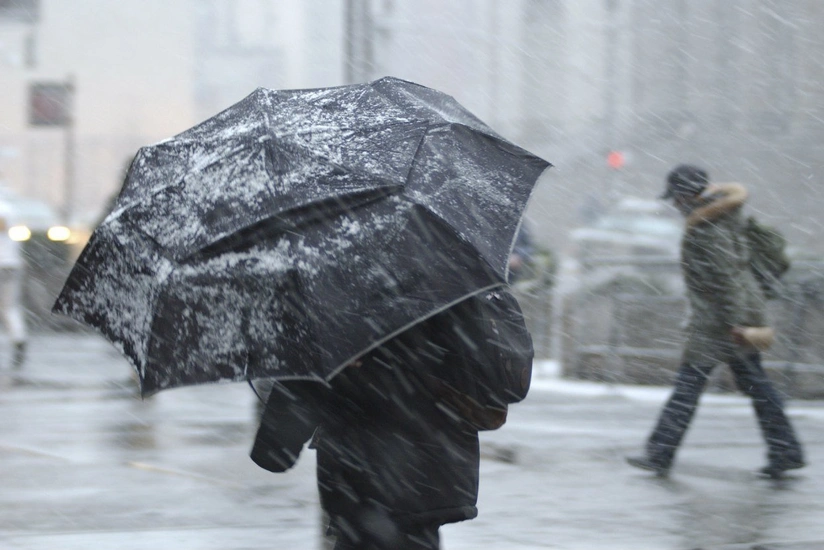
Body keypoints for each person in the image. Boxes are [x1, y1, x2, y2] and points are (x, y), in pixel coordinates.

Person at [251, 289, 533, 549]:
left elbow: (285, 432)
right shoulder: (448, 273)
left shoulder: (344, 288)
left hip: (365, 483)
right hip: (434, 478)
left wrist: (275, 444)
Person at [626, 164, 804, 479]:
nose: (675, 205)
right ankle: (785, 450)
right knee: (755, 387)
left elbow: (727, 280)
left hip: (721, 323)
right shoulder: (721, 219)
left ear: (686, 196)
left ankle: (660, 453)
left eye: (676, 197)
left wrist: (736, 323)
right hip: (732, 316)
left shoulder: (708, 228)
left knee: (689, 388)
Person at [0, 214, 27, 368]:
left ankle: (19, 341)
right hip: (12, 267)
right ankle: (19, 341)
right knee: (10, 308)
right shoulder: (11, 236)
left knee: (8, 308)